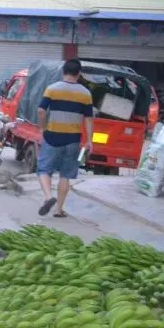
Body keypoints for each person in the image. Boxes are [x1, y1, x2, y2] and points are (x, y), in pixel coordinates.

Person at [36, 58, 94, 219]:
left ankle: (48, 197)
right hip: (73, 140)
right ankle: (58, 210)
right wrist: (90, 141)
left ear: (63, 71)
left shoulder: (52, 89)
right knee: (65, 175)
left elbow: (41, 110)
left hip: (52, 136)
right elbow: (89, 119)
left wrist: (42, 127)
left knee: (43, 169)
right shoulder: (85, 94)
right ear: (79, 74)